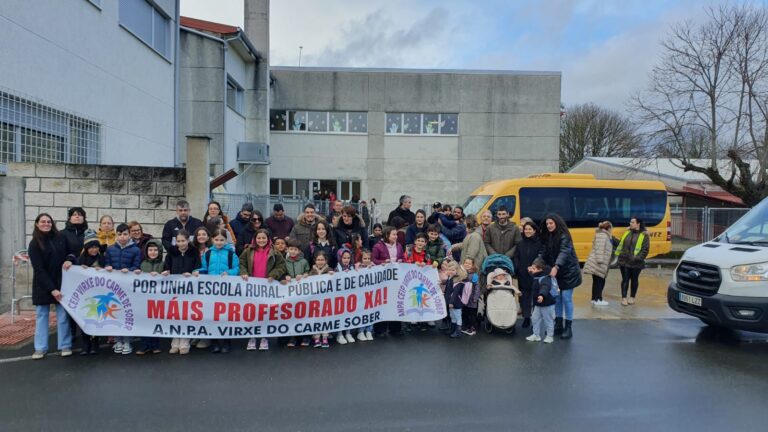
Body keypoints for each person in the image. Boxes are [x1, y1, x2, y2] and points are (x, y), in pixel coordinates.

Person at [29, 213, 76, 360]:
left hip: (61, 282)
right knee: (42, 316)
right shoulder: (34, 243)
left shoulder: (60, 237)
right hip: (43, 285)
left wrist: (69, 260)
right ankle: (40, 348)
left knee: (63, 316)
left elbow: (71, 253)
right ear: (37, 224)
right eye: (43, 221)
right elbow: (39, 269)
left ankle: (65, 345)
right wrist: (52, 289)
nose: (46, 224)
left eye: (49, 221)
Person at [240, 229, 287, 352]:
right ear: (255, 239)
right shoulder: (248, 251)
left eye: (264, 238)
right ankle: (252, 337)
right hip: (252, 287)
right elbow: (242, 263)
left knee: (265, 313)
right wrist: (244, 273)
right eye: (259, 238)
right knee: (253, 312)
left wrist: (273, 274)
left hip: (267, 287)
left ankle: (264, 338)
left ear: (268, 239)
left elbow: (281, 266)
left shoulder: (275, 252)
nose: (261, 240)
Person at [539, 214, 581, 340]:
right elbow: (543, 252)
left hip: (568, 273)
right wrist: (536, 263)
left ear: (557, 223)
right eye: (547, 224)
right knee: (557, 298)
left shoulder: (564, 236)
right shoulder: (547, 237)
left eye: (551, 223)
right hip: (556, 273)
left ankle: (568, 327)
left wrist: (556, 266)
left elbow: (564, 252)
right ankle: (558, 324)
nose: (549, 226)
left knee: (566, 298)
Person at [199, 228, 240, 354]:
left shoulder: (231, 254)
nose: (219, 242)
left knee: (226, 316)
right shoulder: (208, 254)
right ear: (212, 240)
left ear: (225, 240)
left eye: (221, 240)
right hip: (212, 290)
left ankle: (227, 342)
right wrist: (197, 272)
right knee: (213, 316)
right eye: (216, 240)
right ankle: (215, 342)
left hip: (227, 290)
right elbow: (204, 269)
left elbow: (237, 268)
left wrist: (229, 272)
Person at [104, 223, 142, 355]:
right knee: (115, 313)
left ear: (130, 234)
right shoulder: (110, 249)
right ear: (116, 235)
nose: (122, 237)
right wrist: (108, 266)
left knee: (127, 314)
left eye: (125, 234)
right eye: (119, 234)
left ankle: (127, 340)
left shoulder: (136, 250)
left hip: (128, 287)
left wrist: (130, 270)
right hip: (114, 287)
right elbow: (107, 263)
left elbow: (137, 266)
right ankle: (118, 340)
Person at [162, 230, 201, 355]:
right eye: (178, 241)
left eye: (183, 241)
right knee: (175, 315)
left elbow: (197, 267)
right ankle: (175, 342)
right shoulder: (171, 252)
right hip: (174, 289)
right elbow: (166, 267)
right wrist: (166, 271)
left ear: (188, 240)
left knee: (186, 315)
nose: (181, 243)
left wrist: (193, 273)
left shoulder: (194, 252)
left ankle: (184, 342)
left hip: (189, 290)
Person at [134, 239, 164, 355]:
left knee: (156, 323)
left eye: (155, 250)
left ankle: (155, 345)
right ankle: (144, 345)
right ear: (146, 251)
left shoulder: (162, 264)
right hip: (144, 299)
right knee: (144, 323)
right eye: (150, 250)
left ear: (160, 251)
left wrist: (163, 274)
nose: (153, 252)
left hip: (157, 299)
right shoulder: (142, 264)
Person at [75, 230, 103, 355]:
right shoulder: (81, 260)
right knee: (85, 320)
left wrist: (103, 270)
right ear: (86, 248)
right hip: (85, 296)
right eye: (91, 247)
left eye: (96, 247)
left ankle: (95, 344)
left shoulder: (102, 259)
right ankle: (85, 344)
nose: (94, 249)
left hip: (98, 295)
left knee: (97, 320)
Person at [514, 221, 542, 328]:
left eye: (530, 229)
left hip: (535, 274)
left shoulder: (539, 243)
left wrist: (536, 267)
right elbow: (517, 257)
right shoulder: (520, 243)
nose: (527, 231)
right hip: (523, 274)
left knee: (535, 297)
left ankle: (536, 318)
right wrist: (518, 268)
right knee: (525, 298)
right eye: (526, 229)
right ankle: (526, 318)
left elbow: (541, 257)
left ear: (534, 230)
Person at [616, 217, 650, 306]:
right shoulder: (627, 232)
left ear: (638, 224)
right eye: (630, 222)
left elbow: (645, 250)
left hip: (636, 263)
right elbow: (621, 244)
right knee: (625, 280)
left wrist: (636, 258)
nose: (630, 223)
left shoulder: (644, 235)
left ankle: (632, 297)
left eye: (632, 222)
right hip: (624, 261)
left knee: (634, 280)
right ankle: (624, 298)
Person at [525, 258, 558, 344]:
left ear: (540, 269)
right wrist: (529, 270)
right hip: (538, 304)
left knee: (548, 320)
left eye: (534, 268)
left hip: (547, 304)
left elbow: (545, 287)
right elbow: (533, 275)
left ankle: (550, 336)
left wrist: (542, 295)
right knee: (535, 318)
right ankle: (536, 335)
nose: (532, 270)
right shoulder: (537, 275)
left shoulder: (545, 278)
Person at [584, 221, 614, 306]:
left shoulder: (602, 234)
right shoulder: (603, 235)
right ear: (608, 228)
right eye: (611, 228)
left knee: (597, 281)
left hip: (599, 262)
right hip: (599, 263)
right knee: (600, 281)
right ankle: (598, 299)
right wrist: (600, 261)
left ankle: (594, 299)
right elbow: (600, 249)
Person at [309, 251, 334, 348]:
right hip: (315, 300)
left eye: (322, 260)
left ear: (326, 261)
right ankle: (316, 337)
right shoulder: (312, 272)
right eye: (318, 260)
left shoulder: (329, 270)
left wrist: (333, 275)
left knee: (325, 319)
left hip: (325, 300)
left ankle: (325, 337)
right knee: (315, 319)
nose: (320, 262)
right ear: (315, 261)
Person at [335, 247, 357, 345]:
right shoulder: (336, 269)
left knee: (349, 315)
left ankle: (348, 333)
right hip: (340, 298)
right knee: (340, 316)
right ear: (340, 258)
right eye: (344, 258)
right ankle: (339, 334)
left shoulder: (353, 268)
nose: (346, 260)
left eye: (348, 258)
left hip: (350, 296)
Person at [355, 250, 375, 341]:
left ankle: (369, 330)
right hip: (360, 295)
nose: (367, 260)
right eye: (365, 258)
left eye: (368, 258)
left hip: (371, 294)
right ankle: (360, 331)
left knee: (371, 312)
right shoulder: (357, 267)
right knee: (362, 313)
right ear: (361, 259)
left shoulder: (374, 266)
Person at [444, 260, 467, 339]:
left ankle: (458, 331)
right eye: (449, 269)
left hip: (456, 302)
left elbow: (455, 293)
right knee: (452, 315)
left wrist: (451, 302)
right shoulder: (451, 278)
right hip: (450, 301)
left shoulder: (458, 281)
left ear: (457, 270)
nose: (451, 271)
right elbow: (448, 290)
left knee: (457, 316)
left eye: (453, 270)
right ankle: (453, 329)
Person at [461, 258, 481, 336]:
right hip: (464, 298)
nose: (467, 265)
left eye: (469, 264)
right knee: (465, 313)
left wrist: (475, 297)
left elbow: (477, 287)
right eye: (466, 263)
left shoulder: (474, 275)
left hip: (472, 298)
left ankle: (472, 328)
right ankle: (465, 327)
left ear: (472, 265)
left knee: (472, 314)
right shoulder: (462, 273)